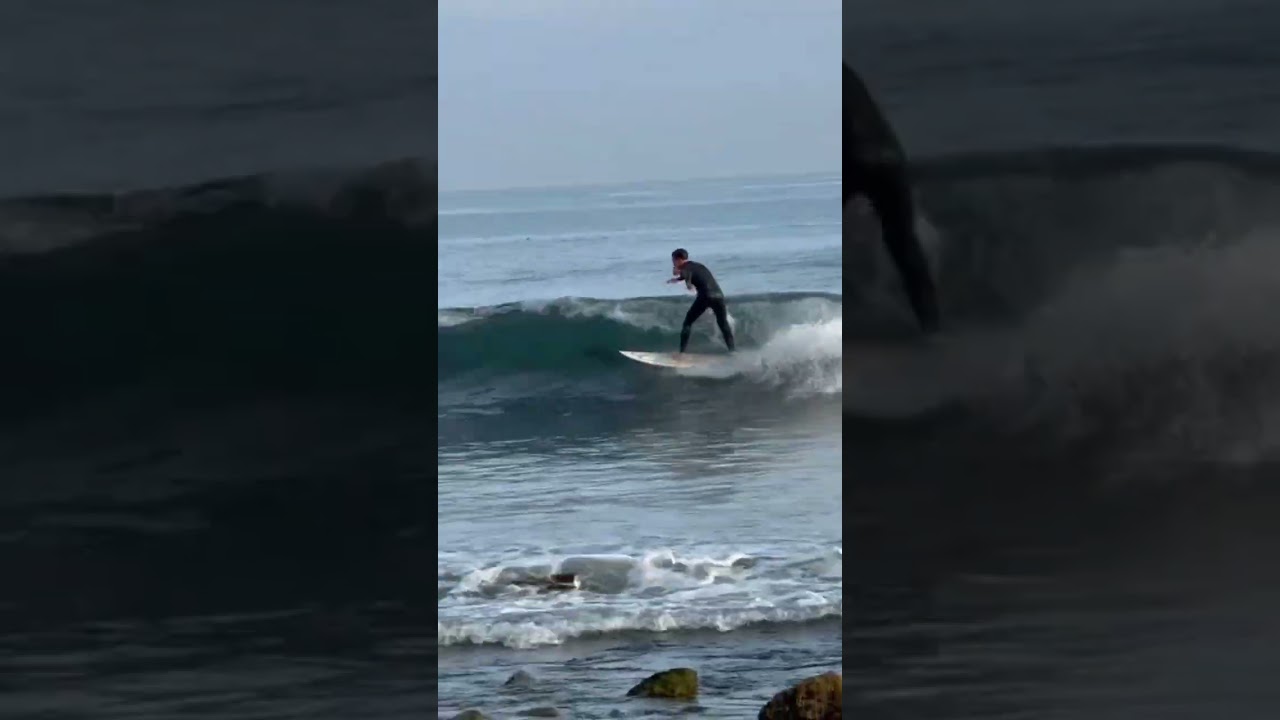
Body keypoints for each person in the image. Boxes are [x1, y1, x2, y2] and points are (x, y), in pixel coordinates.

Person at [845, 61, 941, 334]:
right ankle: (932, 327)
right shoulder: (845, 72)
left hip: (854, 159)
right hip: (889, 157)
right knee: (904, 245)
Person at [667, 248, 735, 353]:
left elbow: (687, 274)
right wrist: (677, 279)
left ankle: (682, 353)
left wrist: (688, 284)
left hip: (706, 296)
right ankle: (733, 351)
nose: (673, 264)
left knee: (687, 323)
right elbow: (694, 274)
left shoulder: (685, 268)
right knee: (723, 324)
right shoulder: (698, 266)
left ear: (678, 260)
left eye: (673, 261)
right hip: (719, 295)